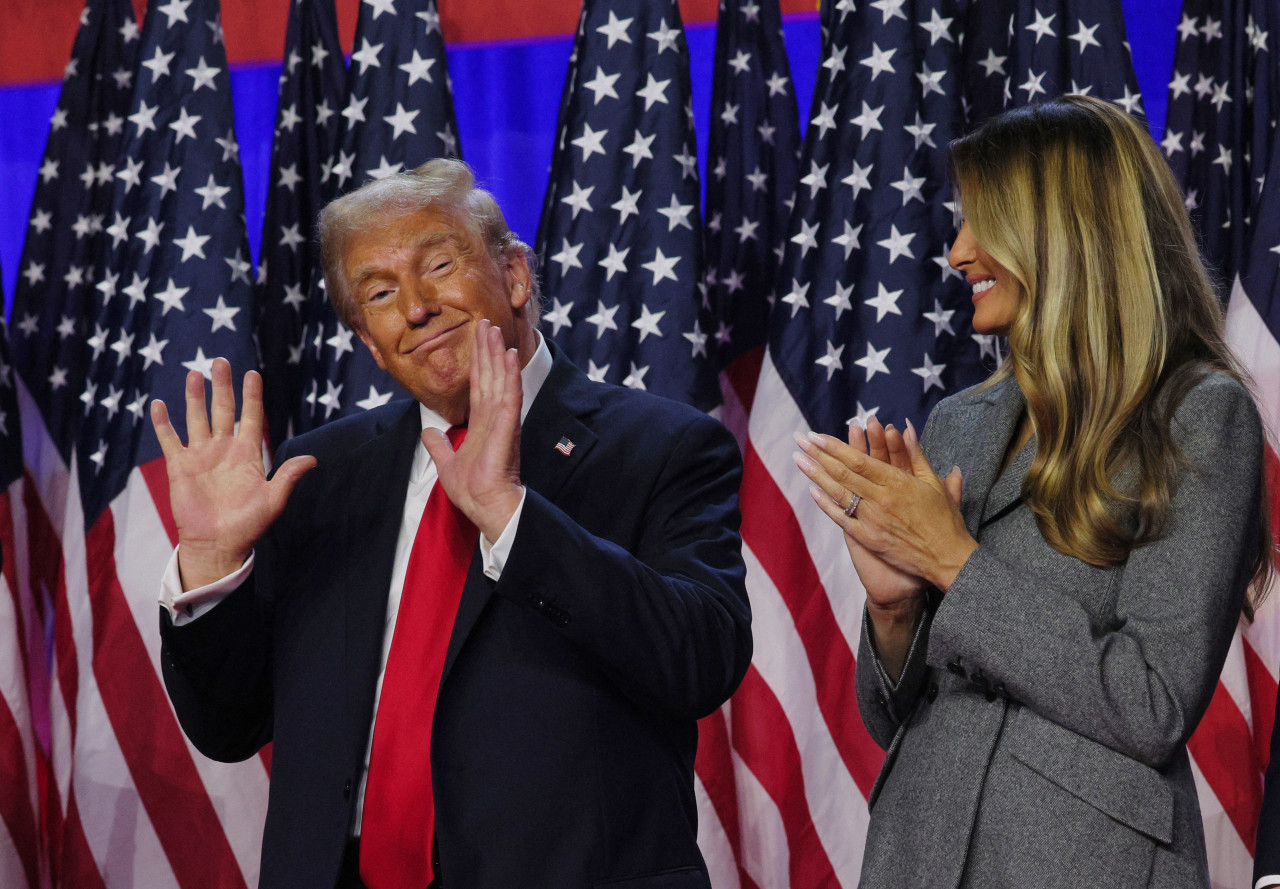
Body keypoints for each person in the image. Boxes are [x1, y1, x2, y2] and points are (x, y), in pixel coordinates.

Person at [150, 159, 752, 889]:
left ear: (516, 276)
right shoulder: (317, 475)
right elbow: (227, 725)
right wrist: (213, 565)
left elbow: (701, 659)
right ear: (369, 342)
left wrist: (511, 515)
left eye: (439, 264)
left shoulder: (661, 446)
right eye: (379, 292)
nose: (415, 307)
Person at [794, 95, 1273, 888]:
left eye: (984, 222)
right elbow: (893, 716)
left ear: (1066, 232)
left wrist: (955, 563)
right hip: (917, 856)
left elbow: (1151, 700)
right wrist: (893, 607)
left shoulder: (1198, 417)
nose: (956, 252)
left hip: (1085, 863)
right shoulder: (958, 422)